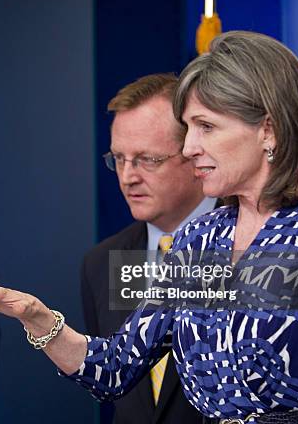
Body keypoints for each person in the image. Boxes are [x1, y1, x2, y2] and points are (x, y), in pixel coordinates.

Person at [0, 30, 298, 423]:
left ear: (268, 129)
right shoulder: (199, 240)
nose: (189, 147)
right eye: (188, 127)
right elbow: (114, 369)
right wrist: (38, 319)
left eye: (206, 126)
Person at [82, 74, 213, 424]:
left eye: (147, 159)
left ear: (194, 156)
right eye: (119, 159)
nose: (127, 176)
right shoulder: (101, 263)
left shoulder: (247, 246)